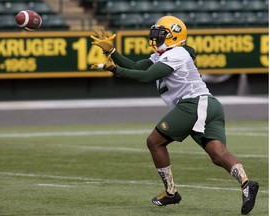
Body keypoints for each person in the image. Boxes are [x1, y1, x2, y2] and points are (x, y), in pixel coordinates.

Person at [90, 16, 259, 215]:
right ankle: (247, 183)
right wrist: (112, 52)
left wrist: (115, 69)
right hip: (209, 104)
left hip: (193, 104)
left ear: (173, 36)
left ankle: (170, 192)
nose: (155, 36)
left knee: (155, 142)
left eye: (160, 33)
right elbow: (137, 67)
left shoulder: (176, 53)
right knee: (217, 153)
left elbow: (145, 76)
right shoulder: (166, 54)